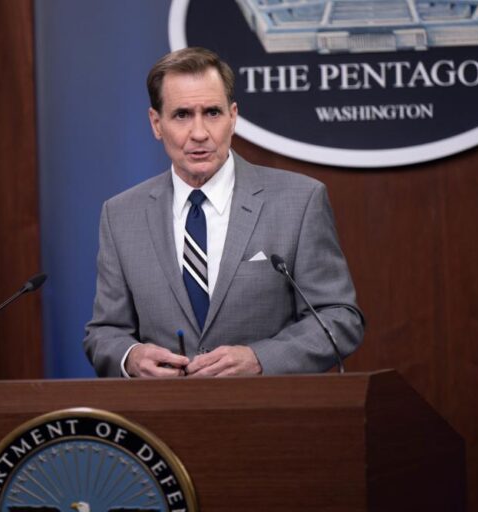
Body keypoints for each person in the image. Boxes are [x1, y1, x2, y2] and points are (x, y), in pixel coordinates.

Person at [83, 47, 364, 378]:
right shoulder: (121, 215)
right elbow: (105, 333)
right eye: (182, 115)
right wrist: (130, 358)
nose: (199, 133)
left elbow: (339, 318)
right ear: (156, 124)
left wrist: (261, 359)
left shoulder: (299, 201)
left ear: (233, 117)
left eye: (212, 113)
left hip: (266, 406)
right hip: (163, 409)